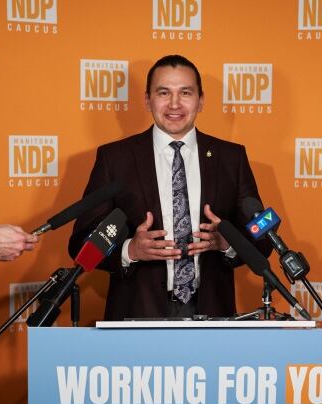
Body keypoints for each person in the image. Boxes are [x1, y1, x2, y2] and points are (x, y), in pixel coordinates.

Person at [68, 54, 270, 320]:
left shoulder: (231, 158)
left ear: (201, 100)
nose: (174, 104)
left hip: (213, 315)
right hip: (137, 314)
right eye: (164, 92)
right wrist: (131, 250)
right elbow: (81, 245)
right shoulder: (115, 158)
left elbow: (263, 236)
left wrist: (228, 243)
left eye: (185, 92)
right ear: (147, 100)